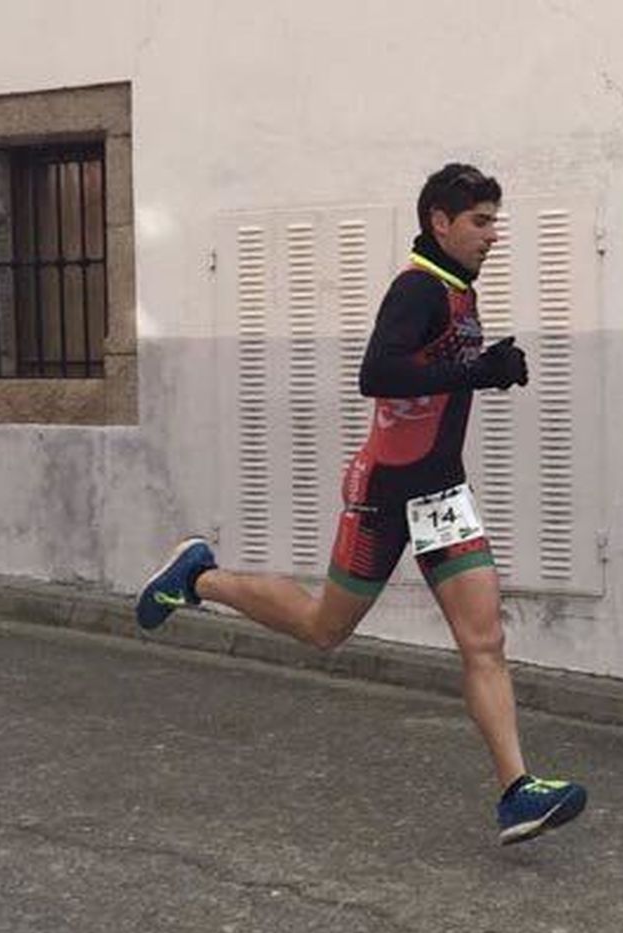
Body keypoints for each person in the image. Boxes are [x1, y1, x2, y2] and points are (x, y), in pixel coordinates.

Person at [135, 163, 587, 846]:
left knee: (484, 639)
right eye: (481, 222)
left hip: (441, 493)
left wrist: (483, 370)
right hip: (386, 492)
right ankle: (198, 575)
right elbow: (377, 372)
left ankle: (516, 791)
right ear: (440, 221)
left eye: (495, 220)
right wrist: (477, 372)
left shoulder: (459, 291)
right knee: (325, 628)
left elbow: (431, 378)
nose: (494, 235)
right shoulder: (417, 289)